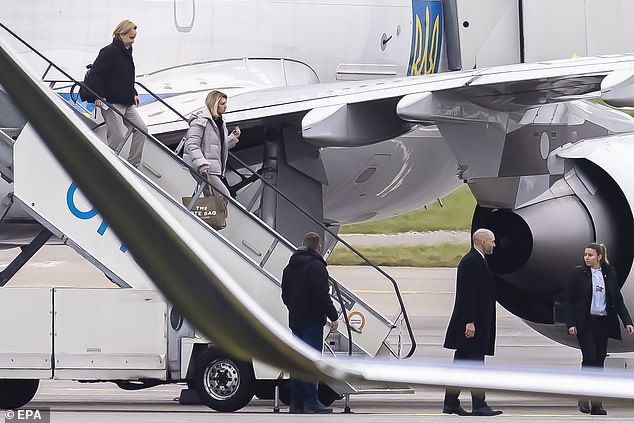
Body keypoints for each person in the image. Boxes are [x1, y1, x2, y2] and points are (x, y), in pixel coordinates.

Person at [565, 242, 634, 415]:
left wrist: (627, 321)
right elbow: (569, 300)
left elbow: (617, 299)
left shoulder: (609, 273)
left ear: (599, 257)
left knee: (599, 361)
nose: (586, 258)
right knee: (589, 358)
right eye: (585, 255)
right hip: (585, 323)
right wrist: (571, 323)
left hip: (602, 322)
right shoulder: (578, 274)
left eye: (590, 255)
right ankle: (584, 396)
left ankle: (597, 403)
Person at [442, 228, 502, 417]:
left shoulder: (479, 260)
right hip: (471, 325)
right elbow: (466, 294)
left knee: (461, 365)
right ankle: (479, 405)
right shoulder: (471, 262)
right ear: (482, 242)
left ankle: (451, 403)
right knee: (475, 365)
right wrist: (469, 321)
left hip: (476, 323)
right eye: (491, 241)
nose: (494, 244)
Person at [281, 232, 339, 414]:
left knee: (298, 362)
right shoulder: (316, 267)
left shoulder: (289, 267)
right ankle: (310, 403)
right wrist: (333, 315)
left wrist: (294, 309)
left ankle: (295, 404)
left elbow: (284, 294)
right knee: (311, 361)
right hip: (312, 321)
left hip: (295, 320)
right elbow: (322, 295)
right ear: (318, 247)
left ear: (302, 244)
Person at [90, 20, 147, 168]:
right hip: (111, 102)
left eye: (134, 37)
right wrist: (98, 96)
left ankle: (133, 165)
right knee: (117, 137)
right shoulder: (109, 52)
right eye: (131, 37)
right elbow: (95, 74)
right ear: (120, 35)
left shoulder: (127, 51)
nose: (133, 41)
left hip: (126, 101)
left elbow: (127, 76)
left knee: (142, 130)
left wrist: (133, 92)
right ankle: (109, 167)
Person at [183, 90, 240, 198]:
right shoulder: (200, 120)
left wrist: (232, 138)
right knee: (224, 196)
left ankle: (207, 215)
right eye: (222, 104)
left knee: (212, 199)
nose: (225, 106)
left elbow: (217, 146)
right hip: (204, 167)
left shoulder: (220, 122)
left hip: (211, 167)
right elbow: (192, 144)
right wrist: (201, 163)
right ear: (214, 104)